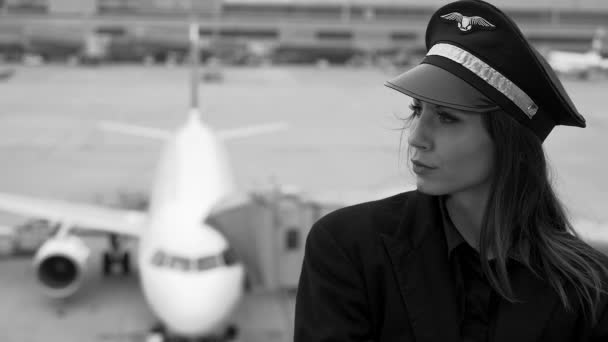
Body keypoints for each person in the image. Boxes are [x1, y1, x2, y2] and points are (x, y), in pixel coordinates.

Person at [294, 0, 608, 341]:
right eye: (418, 110)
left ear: (510, 143)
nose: (417, 138)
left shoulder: (588, 288)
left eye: (447, 117)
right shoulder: (348, 249)